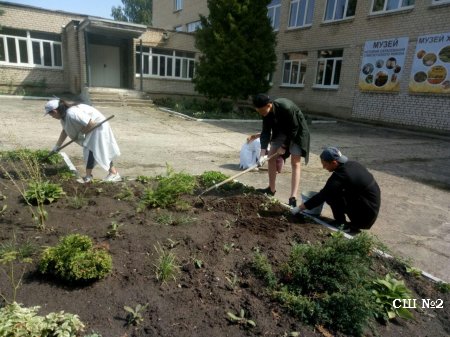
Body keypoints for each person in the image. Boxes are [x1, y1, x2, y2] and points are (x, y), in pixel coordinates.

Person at [296, 146, 381, 233]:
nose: (323, 167)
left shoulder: (341, 176)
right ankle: (344, 222)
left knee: (330, 195)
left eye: (325, 164)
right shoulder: (352, 164)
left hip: (366, 215)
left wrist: (300, 208)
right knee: (336, 191)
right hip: (370, 206)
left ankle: (344, 225)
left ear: (334, 163)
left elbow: (323, 195)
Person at [252, 94, 310, 207]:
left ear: (269, 105)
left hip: (297, 132)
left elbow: (294, 128)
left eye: (263, 111)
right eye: (259, 111)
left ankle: (293, 197)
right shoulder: (265, 112)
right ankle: (271, 189)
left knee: (295, 162)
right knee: (271, 158)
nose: (262, 114)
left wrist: (284, 146)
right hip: (280, 131)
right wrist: (262, 154)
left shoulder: (285, 107)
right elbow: (265, 132)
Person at [44, 99, 121, 183]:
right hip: (91, 129)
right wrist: (57, 146)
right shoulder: (64, 117)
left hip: (98, 127)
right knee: (92, 151)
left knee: (94, 150)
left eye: (51, 114)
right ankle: (92, 175)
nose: (52, 117)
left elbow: (91, 123)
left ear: (55, 111)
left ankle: (110, 174)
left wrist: (82, 133)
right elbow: (65, 131)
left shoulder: (72, 113)